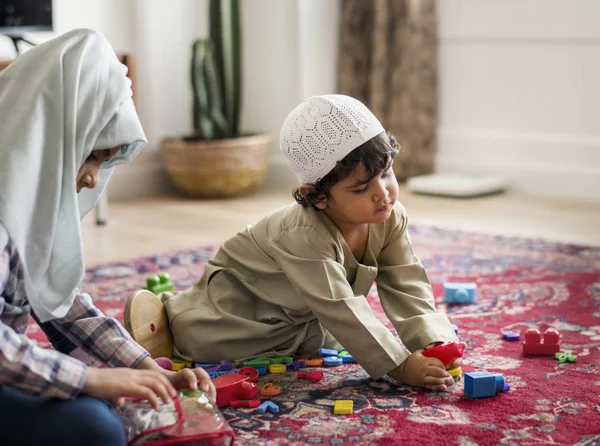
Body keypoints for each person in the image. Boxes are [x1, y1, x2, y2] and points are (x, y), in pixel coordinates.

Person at [127, 94, 463, 393]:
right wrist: (401, 366)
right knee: (222, 341)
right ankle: (173, 319)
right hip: (239, 312)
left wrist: (431, 338)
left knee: (322, 338)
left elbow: (406, 281)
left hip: (296, 316)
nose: (383, 193)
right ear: (316, 197)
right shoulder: (302, 235)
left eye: (387, 173)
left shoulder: (390, 216)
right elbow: (340, 307)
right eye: (361, 188)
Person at [0, 29, 215, 446]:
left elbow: (62, 305)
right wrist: (92, 380)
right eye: (90, 154)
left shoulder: (23, 203)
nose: (90, 178)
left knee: (109, 400)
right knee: (96, 427)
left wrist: (145, 367)